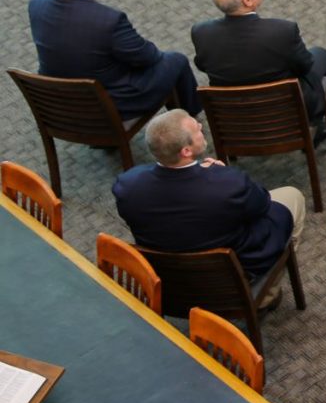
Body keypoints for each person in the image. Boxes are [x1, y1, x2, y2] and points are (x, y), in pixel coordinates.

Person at [112, 109, 304, 305]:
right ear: (186, 151)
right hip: (232, 274)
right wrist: (222, 174)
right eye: (197, 130)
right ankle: (267, 294)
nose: (202, 127)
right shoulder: (227, 183)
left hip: (171, 280)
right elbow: (262, 204)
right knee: (292, 197)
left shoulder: (127, 186)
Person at [28, 0, 201, 117]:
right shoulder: (107, 20)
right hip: (105, 103)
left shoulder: (36, 3)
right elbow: (147, 57)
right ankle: (188, 119)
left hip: (57, 100)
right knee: (175, 60)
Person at [191, 0, 326, 129]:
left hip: (232, 113)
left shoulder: (200, 32)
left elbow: (202, 65)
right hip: (286, 110)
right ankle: (318, 120)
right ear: (247, 1)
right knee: (321, 55)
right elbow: (305, 66)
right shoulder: (283, 31)